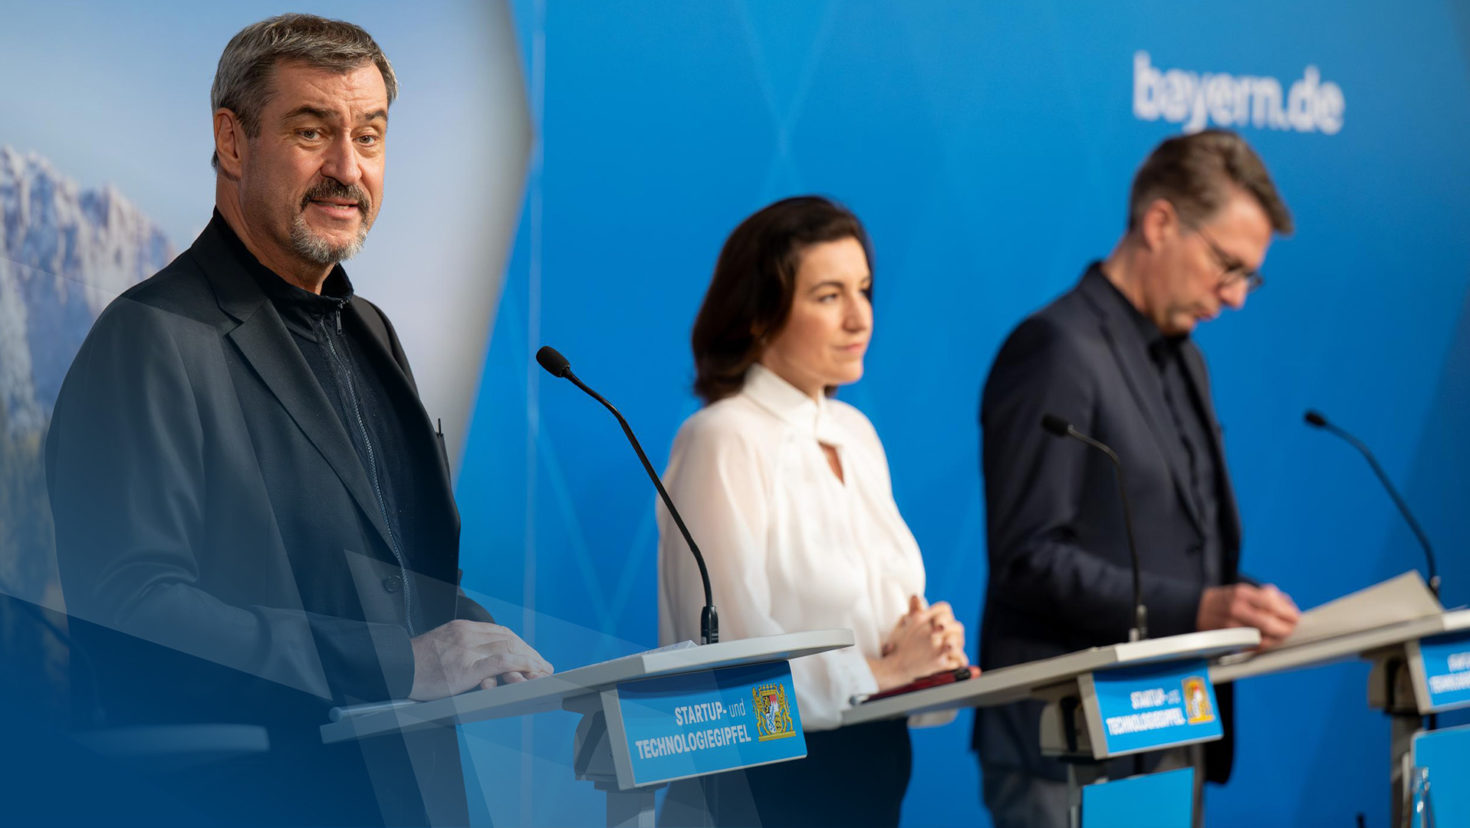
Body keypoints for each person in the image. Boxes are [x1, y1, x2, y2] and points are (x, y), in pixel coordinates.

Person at [45, 14, 551, 826]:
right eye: (312, 131)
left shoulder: (372, 333)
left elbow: (400, 578)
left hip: (411, 795)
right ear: (234, 142)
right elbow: (132, 613)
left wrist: (503, 659)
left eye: (371, 136)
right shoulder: (150, 339)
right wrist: (397, 662)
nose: (347, 169)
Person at [973, 129, 1303, 828]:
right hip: (1067, 743)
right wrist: (1196, 608)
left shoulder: (1186, 358)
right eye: (1227, 265)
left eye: (1250, 275)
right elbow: (1027, 559)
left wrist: (1230, 604)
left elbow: (1176, 540)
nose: (1237, 297)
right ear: (1159, 223)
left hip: (1165, 727)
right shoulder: (1056, 349)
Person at [656, 196, 968, 828]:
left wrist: (930, 656)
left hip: (869, 777)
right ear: (757, 318)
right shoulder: (723, 437)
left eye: (864, 290)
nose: (860, 318)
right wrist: (885, 670)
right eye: (828, 296)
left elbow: (883, 629)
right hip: (764, 793)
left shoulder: (856, 433)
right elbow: (732, 664)